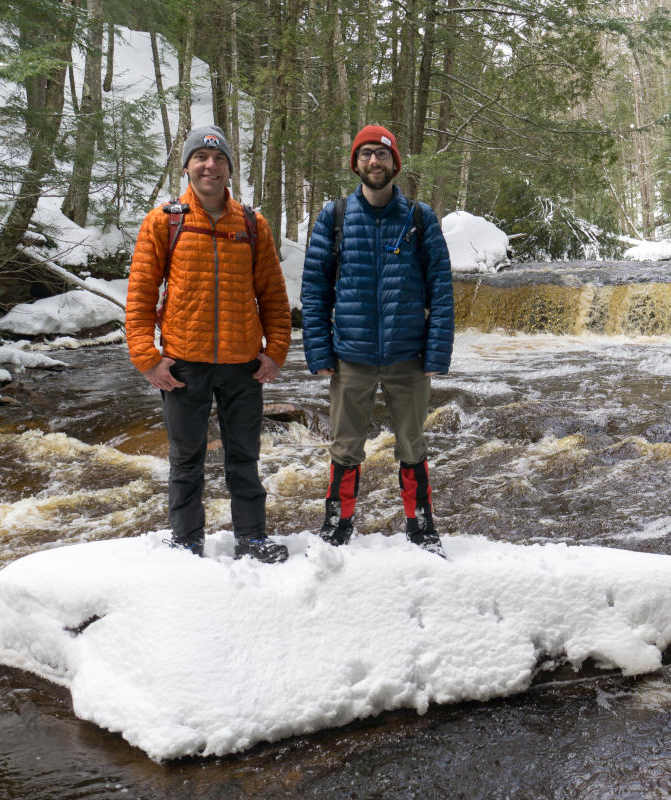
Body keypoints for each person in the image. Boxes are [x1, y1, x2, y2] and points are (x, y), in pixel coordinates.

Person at [126, 125, 292, 563]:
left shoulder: (252, 224)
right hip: (183, 365)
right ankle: (185, 543)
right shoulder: (166, 221)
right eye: (200, 157)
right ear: (187, 166)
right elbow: (141, 294)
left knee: (244, 459)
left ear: (229, 170)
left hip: (243, 366)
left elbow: (273, 294)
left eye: (218, 159)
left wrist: (275, 351)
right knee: (185, 462)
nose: (210, 165)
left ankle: (252, 540)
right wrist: (147, 358)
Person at [300, 124, 454, 556]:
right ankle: (337, 524)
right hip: (352, 357)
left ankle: (420, 525)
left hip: (410, 356)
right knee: (345, 447)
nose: (374, 161)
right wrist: (319, 351)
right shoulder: (333, 218)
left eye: (382, 155)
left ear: (394, 164)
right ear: (356, 163)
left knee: (412, 445)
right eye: (366, 154)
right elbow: (315, 290)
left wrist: (437, 351)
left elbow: (441, 288)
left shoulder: (420, 219)